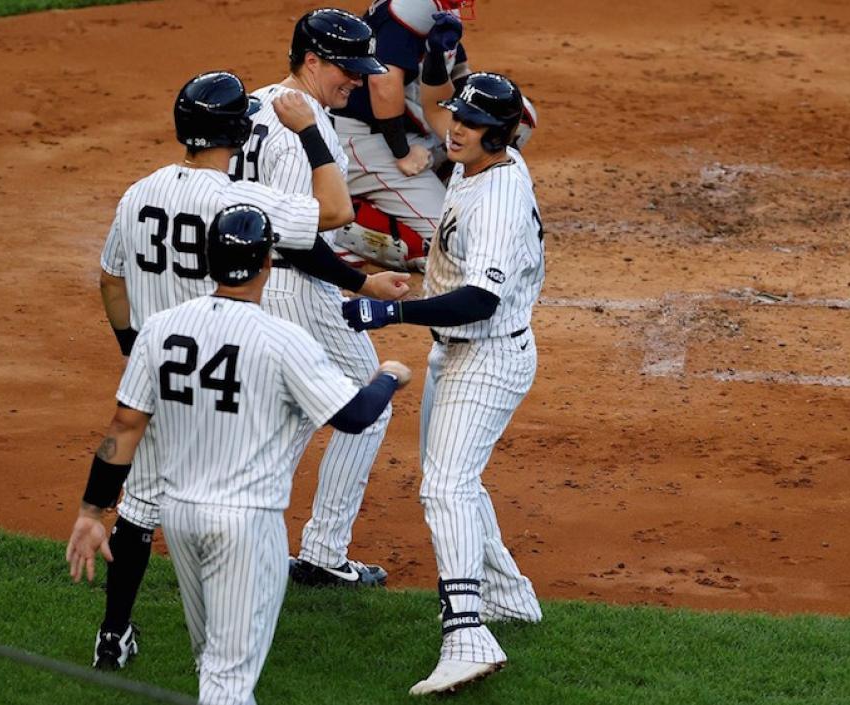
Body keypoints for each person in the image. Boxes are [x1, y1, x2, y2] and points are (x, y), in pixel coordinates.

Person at [91, 69, 387, 670]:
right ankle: (235, 637)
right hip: (217, 361)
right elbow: (334, 209)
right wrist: (309, 132)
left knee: (140, 507)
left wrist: (132, 346)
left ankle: (112, 635)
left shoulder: (136, 192)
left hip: (159, 368)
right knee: (238, 494)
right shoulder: (237, 203)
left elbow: (111, 280)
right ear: (236, 132)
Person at [68, 204, 410, 705]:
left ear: (208, 260)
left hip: (180, 517)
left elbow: (124, 426)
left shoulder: (160, 329)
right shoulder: (282, 340)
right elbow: (355, 416)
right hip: (246, 527)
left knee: (214, 663)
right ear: (267, 263)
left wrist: (92, 510)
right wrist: (388, 377)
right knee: (229, 681)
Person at [341, 69, 544, 695]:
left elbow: (480, 300)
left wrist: (392, 311)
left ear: (500, 134)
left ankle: (467, 632)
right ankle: (509, 596)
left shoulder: (501, 200)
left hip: (485, 355)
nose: (455, 128)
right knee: (454, 478)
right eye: (455, 115)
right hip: (458, 352)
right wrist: (408, 268)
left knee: (445, 487)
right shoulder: (476, 164)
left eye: (472, 123)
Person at [229, 7, 411, 589]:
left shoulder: (254, 104)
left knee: (293, 412)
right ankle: (324, 552)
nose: (356, 82)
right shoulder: (304, 129)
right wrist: (363, 282)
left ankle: (249, 537)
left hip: (254, 279)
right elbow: (299, 238)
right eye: (347, 71)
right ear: (312, 61)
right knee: (366, 403)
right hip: (294, 287)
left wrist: (368, 249)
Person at [327, 0, 539, 274]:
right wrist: (402, 152)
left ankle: (446, 191)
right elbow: (382, 83)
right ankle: (342, 226)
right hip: (365, 140)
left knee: (517, 116)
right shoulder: (408, 10)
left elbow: (456, 78)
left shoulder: (435, 9)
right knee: (453, 241)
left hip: (408, 130)